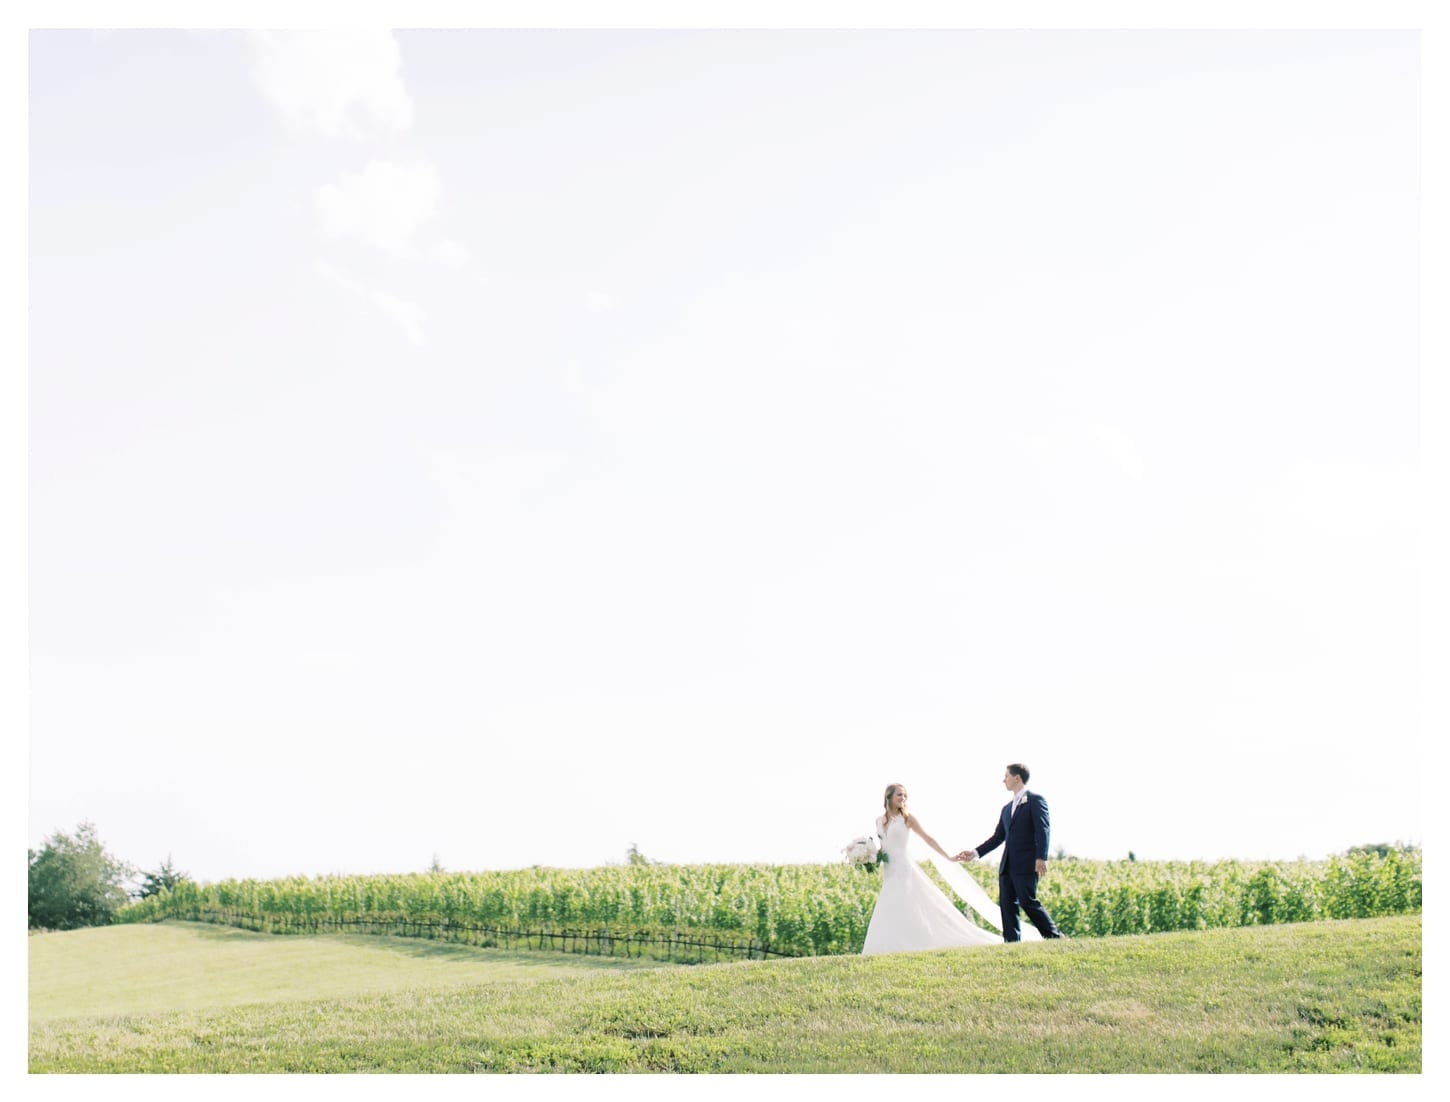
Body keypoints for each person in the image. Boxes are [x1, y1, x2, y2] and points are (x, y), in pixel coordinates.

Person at [860, 782, 1000, 954]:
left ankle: (910, 943)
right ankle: (887, 947)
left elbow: (928, 838)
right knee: (889, 905)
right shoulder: (878, 821)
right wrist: (869, 856)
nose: (903, 798)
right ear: (888, 797)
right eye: (899, 795)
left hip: (904, 869)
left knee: (903, 903)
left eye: (905, 795)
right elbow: (884, 846)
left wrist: (948, 856)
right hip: (888, 870)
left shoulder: (908, 819)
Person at [954, 763, 1065, 941]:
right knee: (1007, 905)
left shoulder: (1036, 800)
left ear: (1017, 778)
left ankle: (1054, 936)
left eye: (1006, 776)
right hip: (1007, 865)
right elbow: (998, 837)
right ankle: (1012, 942)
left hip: (1027, 863)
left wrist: (1041, 857)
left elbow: (1043, 829)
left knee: (1028, 901)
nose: (1003, 780)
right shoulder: (1006, 809)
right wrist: (974, 853)